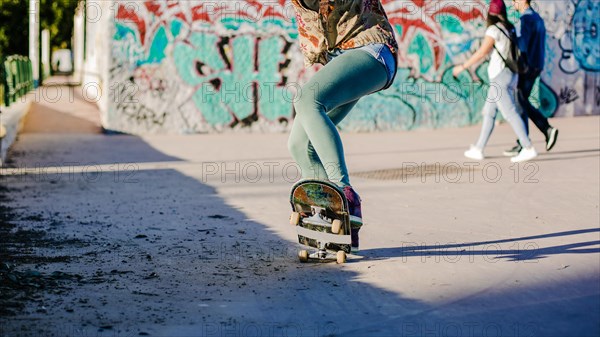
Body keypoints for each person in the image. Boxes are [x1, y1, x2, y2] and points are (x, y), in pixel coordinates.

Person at [288, 0, 398, 252]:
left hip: (372, 51)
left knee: (307, 99)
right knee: (299, 145)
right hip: (346, 59)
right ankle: (333, 218)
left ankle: (343, 192)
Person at [452, 0, 537, 163]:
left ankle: (528, 147)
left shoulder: (494, 30)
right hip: (511, 75)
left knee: (510, 112)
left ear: (490, 13)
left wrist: (462, 67)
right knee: (489, 112)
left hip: (500, 77)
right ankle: (478, 148)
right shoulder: (509, 27)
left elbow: (482, 52)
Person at [504, 0, 558, 156]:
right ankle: (523, 141)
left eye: (514, 1)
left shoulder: (525, 19)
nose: (513, 4)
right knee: (521, 101)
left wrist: (512, 37)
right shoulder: (536, 17)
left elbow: (522, 45)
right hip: (536, 64)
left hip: (527, 66)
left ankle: (545, 129)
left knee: (520, 101)